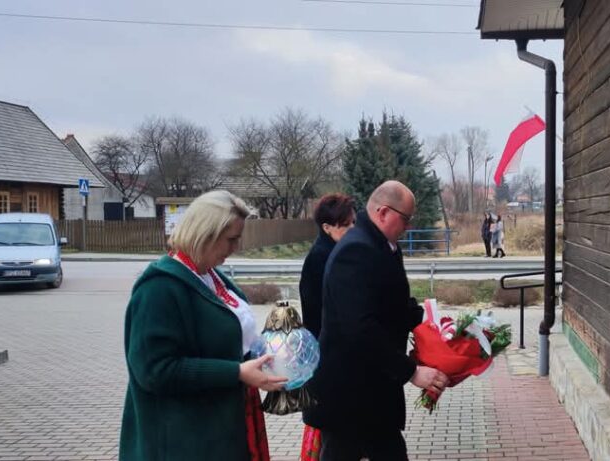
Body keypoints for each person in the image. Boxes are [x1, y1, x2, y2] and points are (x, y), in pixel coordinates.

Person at [120, 190, 287, 461]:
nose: (236, 248)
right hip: (182, 442)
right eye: (231, 239)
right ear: (205, 234)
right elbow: (153, 371)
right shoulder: (159, 289)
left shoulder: (211, 276)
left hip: (218, 431)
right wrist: (236, 372)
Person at [303, 180, 449, 460]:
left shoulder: (381, 245)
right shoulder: (356, 251)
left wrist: (431, 326)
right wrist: (411, 372)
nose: (409, 226)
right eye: (405, 219)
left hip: (370, 392)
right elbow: (359, 328)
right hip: (349, 393)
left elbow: (392, 304)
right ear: (383, 212)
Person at [299, 193, 356, 339]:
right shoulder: (322, 257)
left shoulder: (337, 250)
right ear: (326, 227)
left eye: (353, 223)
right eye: (345, 224)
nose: (352, 228)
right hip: (329, 342)